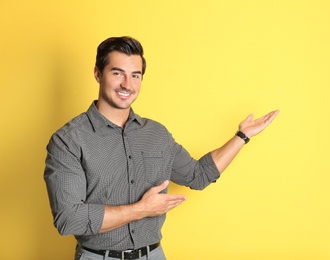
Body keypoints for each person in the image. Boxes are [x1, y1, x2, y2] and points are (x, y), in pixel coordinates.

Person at [44, 36, 279, 260]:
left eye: (135, 75)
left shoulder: (156, 134)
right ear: (98, 73)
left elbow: (200, 175)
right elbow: (69, 219)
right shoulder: (68, 140)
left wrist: (242, 136)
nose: (127, 84)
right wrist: (142, 209)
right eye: (118, 73)